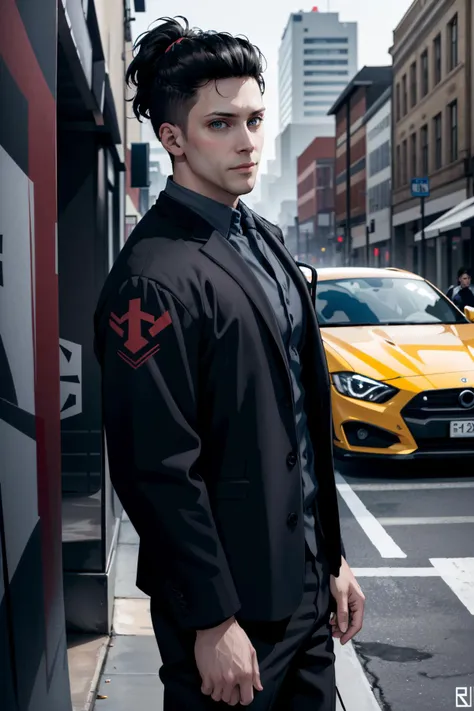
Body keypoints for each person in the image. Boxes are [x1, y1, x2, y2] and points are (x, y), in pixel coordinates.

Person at [93, 17, 365, 710]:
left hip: (303, 591)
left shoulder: (266, 239)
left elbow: (299, 422)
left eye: (254, 119)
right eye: (222, 123)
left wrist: (329, 556)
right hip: (230, 614)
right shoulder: (152, 278)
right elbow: (155, 466)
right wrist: (210, 619)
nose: (248, 142)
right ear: (173, 138)